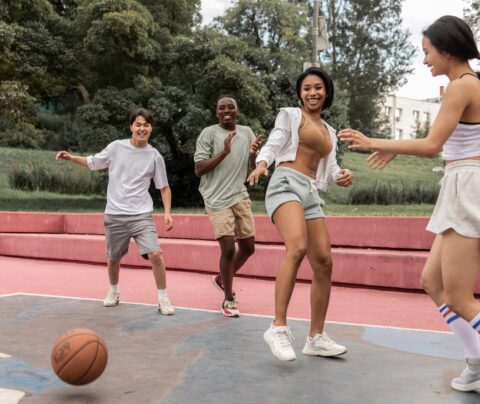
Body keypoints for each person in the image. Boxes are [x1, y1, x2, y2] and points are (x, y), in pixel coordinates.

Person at [338, 15, 480, 393]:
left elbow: (432, 144)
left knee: (461, 299)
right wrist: (393, 149)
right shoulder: (467, 85)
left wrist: (376, 142)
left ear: (448, 49)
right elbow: (451, 144)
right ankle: (476, 358)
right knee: (431, 281)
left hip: (468, 186)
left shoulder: (462, 87)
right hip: (460, 182)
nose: (425, 61)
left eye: (428, 52)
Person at [247, 67, 353, 361]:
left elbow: (330, 171)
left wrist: (343, 175)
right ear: (300, 93)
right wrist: (262, 163)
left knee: (324, 262)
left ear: (326, 91)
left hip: (310, 191)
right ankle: (278, 328)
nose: (312, 93)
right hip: (285, 182)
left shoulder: (328, 131)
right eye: (306, 88)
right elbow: (275, 141)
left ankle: (315, 338)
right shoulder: (291, 116)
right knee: (297, 247)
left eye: (318, 87)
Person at [55, 107, 175, 315]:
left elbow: (164, 187)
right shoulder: (116, 148)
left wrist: (167, 212)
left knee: (155, 254)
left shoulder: (155, 156)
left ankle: (163, 299)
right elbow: (92, 162)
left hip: (141, 215)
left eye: (146, 125)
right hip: (115, 214)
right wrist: (71, 157)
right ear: (131, 126)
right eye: (138, 124)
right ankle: (114, 291)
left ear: (151, 129)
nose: (142, 128)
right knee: (113, 258)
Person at [194, 95, 262, 317]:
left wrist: (253, 156)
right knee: (228, 248)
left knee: (249, 248)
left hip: (239, 195)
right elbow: (199, 169)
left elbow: (252, 167)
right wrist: (224, 151)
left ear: (237, 110)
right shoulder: (209, 133)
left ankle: (221, 279)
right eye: (221, 107)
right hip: (216, 198)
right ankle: (228, 300)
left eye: (230, 107)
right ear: (216, 112)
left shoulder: (247, 132)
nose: (226, 111)